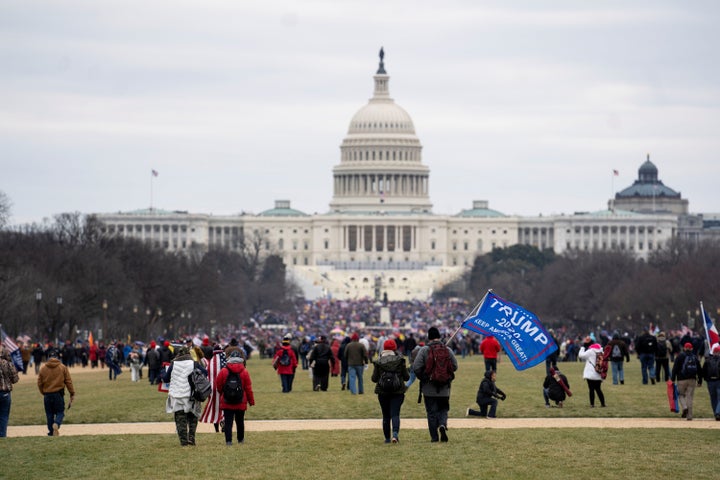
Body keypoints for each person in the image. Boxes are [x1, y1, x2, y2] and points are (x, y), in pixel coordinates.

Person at [412, 327, 458, 443]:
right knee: (443, 410)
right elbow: (455, 366)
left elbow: (416, 367)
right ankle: (442, 424)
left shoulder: (424, 350)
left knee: (431, 413)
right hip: (444, 387)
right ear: (439, 336)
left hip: (429, 387)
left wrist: (424, 377)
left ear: (429, 337)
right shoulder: (447, 349)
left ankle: (434, 437)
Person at [163, 346, 207, 446]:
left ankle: (183, 441)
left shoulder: (173, 364)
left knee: (180, 419)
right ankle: (191, 437)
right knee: (193, 417)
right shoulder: (194, 363)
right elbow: (205, 373)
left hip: (177, 395)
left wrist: (162, 373)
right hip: (191, 395)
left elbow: (166, 379)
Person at [371, 339, 409, 444]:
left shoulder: (379, 361)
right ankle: (395, 434)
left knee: (386, 415)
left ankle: (387, 438)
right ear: (394, 348)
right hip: (398, 391)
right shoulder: (400, 360)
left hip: (383, 391)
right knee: (395, 414)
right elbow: (406, 377)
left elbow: (374, 379)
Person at [215, 350, 255, 446]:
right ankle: (240, 439)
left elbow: (218, 385)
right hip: (241, 401)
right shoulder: (244, 371)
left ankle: (228, 441)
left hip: (227, 401)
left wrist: (223, 393)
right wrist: (251, 401)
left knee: (228, 423)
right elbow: (248, 388)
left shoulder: (224, 371)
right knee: (240, 422)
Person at [36, 348, 75, 436]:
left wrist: (43, 392)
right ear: (57, 357)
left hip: (47, 394)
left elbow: (39, 383)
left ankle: (51, 432)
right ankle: (56, 424)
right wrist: (72, 393)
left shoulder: (43, 369)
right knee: (60, 412)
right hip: (58, 394)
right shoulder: (62, 367)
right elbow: (68, 381)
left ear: (48, 357)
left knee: (49, 414)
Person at [671, 342, 701, 420]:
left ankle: (684, 407)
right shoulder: (694, 357)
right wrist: (700, 380)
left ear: (684, 348)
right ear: (691, 348)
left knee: (680, 395)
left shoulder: (680, 356)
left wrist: (673, 379)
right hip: (692, 379)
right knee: (689, 397)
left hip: (681, 379)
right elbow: (699, 369)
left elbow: (675, 368)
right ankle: (689, 416)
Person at [579, 342, 606, 408]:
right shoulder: (601, 352)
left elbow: (581, 356)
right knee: (598, 389)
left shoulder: (590, 351)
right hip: (598, 373)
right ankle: (603, 404)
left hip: (590, 374)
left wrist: (582, 348)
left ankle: (592, 404)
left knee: (591, 389)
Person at [0, 348, 20, 437]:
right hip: (5, 392)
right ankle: (2, 436)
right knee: (4, 415)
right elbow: (15, 379)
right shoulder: (9, 364)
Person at [702, 343, 720, 421]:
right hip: (719, 381)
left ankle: (715, 413)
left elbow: (703, 371)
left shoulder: (708, 360)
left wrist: (706, 379)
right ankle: (717, 412)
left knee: (713, 398)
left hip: (710, 382)